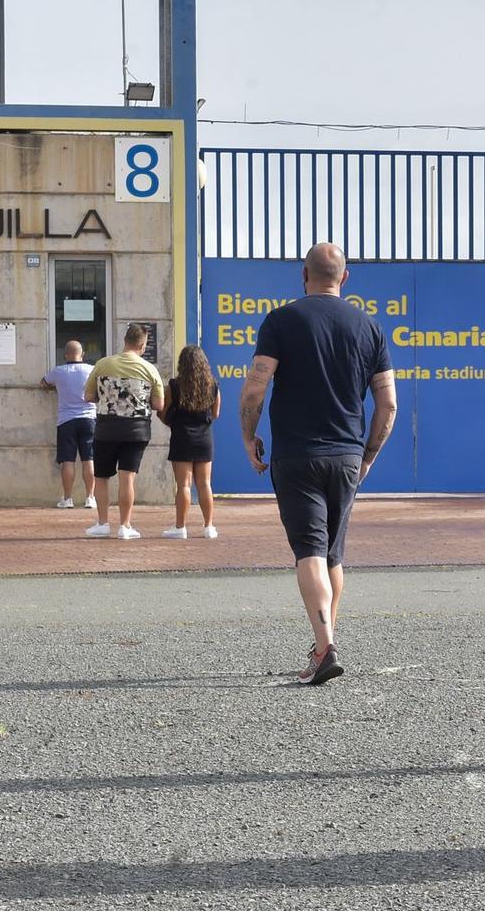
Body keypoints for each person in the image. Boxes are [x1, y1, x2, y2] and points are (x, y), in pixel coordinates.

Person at [239, 242, 396, 686]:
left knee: (308, 550)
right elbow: (389, 404)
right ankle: (324, 641)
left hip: (296, 454)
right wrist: (367, 456)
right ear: (344, 278)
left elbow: (255, 389)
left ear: (302, 274)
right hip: (346, 455)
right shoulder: (369, 327)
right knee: (332, 554)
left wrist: (249, 436)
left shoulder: (281, 320)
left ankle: (325, 647)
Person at [83, 324, 166, 540]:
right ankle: (125, 526)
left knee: (101, 477)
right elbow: (158, 404)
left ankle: (102, 523)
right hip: (136, 431)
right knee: (127, 479)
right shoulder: (149, 370)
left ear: (125, 340)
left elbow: (88, 396)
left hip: (106, 429)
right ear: (142, 344)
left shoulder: (102, 364)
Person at [158, 344, 221, 540]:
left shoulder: (173, 386)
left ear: (181, 363)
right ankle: (209, 527)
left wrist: (173, 423)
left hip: (182, 437)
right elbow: (215, 414)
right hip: (204, 438)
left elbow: (163, 412)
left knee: (184, 485)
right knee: (205, 484)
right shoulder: (213, 386)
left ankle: (180, 527)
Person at [40, 340, 96, 510]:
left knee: (68, 460)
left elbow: (43, 382)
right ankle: (90, 498)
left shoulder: (59, 371)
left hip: (66, 421)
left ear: (65, 355)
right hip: (89, 419)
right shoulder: (91, 370)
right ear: (83, 354)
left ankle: (68, 499)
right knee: (89, 459)